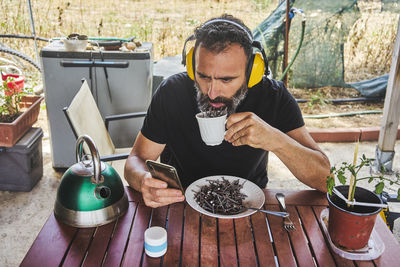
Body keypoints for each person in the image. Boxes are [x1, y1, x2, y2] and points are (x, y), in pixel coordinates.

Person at [124, 14, 331, 208]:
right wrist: (143, 181)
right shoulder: (172, 92)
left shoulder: (273, 97)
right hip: (181, 204)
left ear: (252, 72)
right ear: (191, 66)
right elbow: (135, 160)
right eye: (203, 76)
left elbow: (325, 179)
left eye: (226, 79)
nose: (212, 93)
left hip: (248, 206)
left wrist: (275, 140)